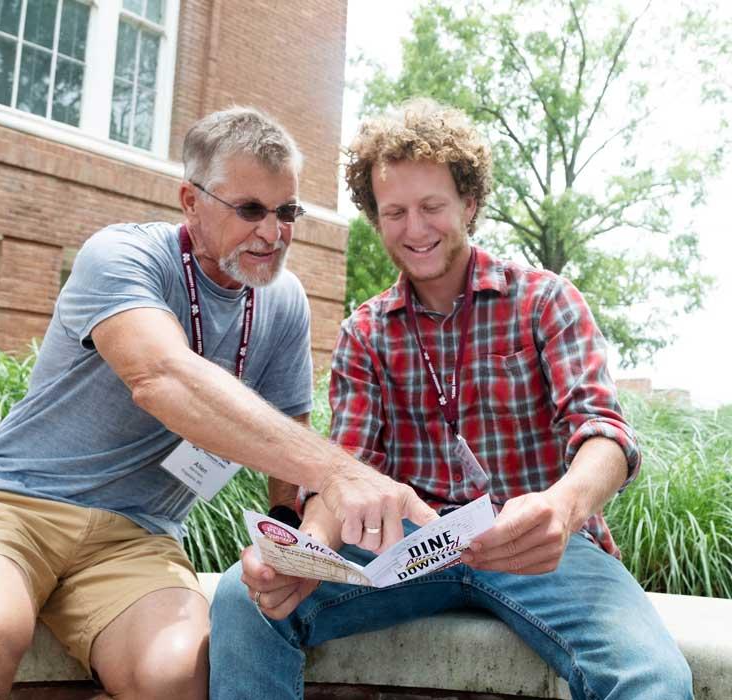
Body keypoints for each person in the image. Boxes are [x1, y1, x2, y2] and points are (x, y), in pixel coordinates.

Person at [0, 106, 435, 700]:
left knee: (176, 677)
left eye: (287, 212)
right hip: (12, 505)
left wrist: (289, 542)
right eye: (250, 209)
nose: (272, 234)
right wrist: (340, 470)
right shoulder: (121, 254)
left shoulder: (283, 301)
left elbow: (286, 446)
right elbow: (159, 376)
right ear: (191, 201)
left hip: (137, 536)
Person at [209, 99, 694, 700]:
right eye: (395, 212)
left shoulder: (546, 302)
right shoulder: (367, 333)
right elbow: (345, 470)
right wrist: (305, 553)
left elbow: (605, 434)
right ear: (375, 218)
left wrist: (563, 508)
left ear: (469, 203)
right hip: (409, 554)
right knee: (242, 597)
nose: (415, 229)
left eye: (432, 206)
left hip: (544, 549)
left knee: (653, 679)